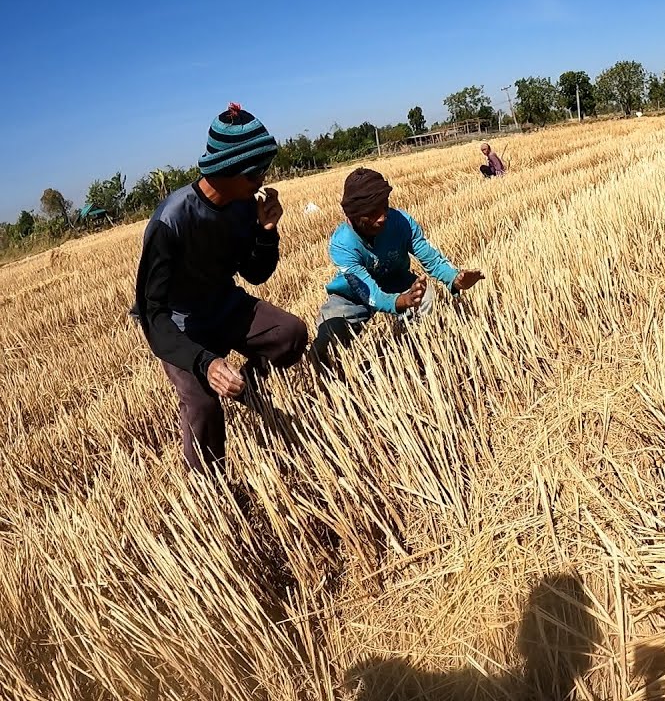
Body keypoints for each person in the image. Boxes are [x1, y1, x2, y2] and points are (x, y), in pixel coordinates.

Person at [132, 102, 309, 473]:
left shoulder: (244, 205)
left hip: (225, 305)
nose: (262, 179)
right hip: (182, 326)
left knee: (291, 335)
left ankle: (245, 385)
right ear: (226, 169)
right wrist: (205, 362)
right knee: (204, 406)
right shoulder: (171, 221)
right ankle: (208, 492)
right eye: (255, 173)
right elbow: (153, 315)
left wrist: (266, 231)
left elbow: (255, 274)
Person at [313, 167, 486, 368]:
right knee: (328, 341)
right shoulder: (342, 244)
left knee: (425, 297)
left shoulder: (401, 222)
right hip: (352, 293)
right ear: (352, 215)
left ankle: (417, 356)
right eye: (372, 213)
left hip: (396, 279)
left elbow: (430, 257)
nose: (382, 217)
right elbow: (368, 292)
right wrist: (402, 301)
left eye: (384, 207)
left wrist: (454, 278)